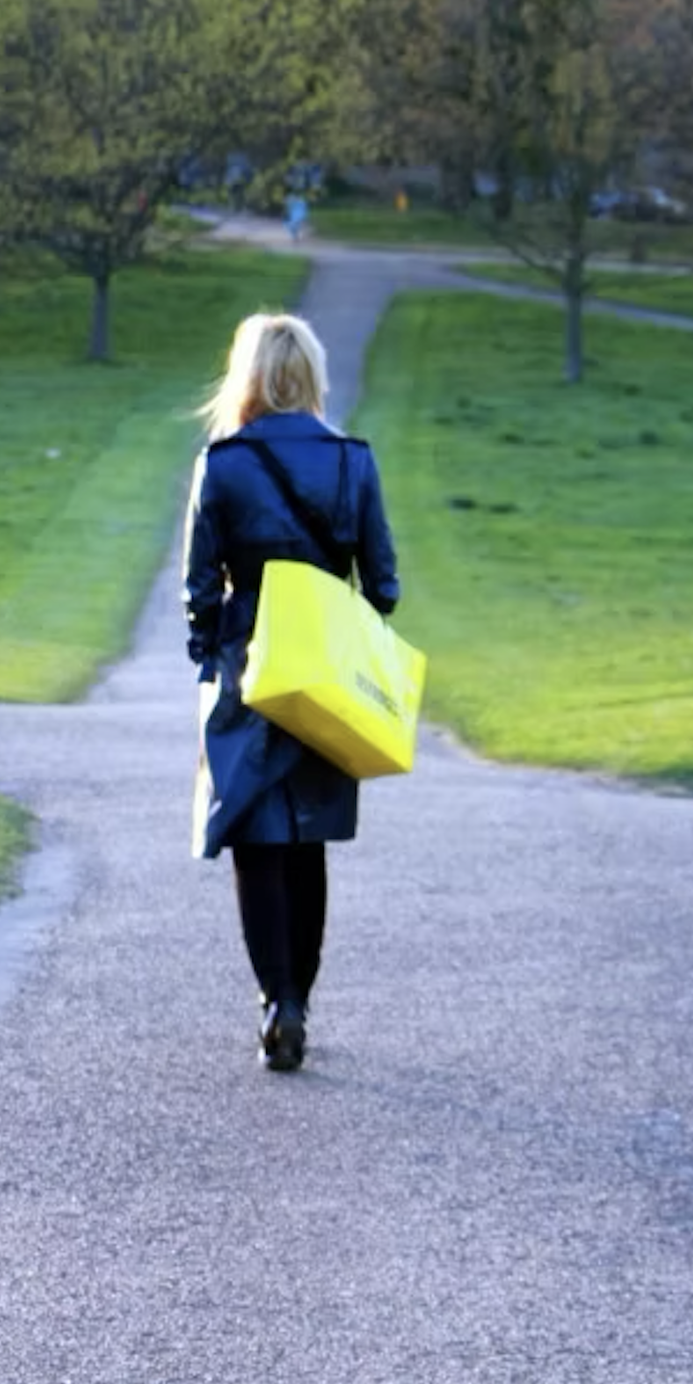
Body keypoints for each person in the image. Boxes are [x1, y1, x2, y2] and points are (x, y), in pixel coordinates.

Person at [183, 312, 399, 1072]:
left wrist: (210, 662)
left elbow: (199, 592)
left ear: (247, 376)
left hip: (249, 664)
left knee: (252, 835)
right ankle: (298, 999)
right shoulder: (353, 462)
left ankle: (277, 999)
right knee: (307, 838)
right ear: (309, 376)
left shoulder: (224, 463)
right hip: (327, 668)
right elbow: (385, 585)